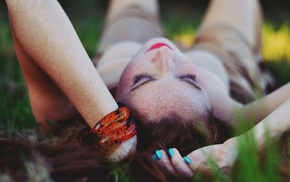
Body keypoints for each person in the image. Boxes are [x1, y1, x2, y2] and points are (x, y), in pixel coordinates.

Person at [4, 0, 290, 180]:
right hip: (226, 61)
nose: (165, 55)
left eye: (141, 79)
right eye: (190, 80)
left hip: (126, 40)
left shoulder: (66, 112)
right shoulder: (236, 116)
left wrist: (111, 127)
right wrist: (240, 145)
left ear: (117, 99)